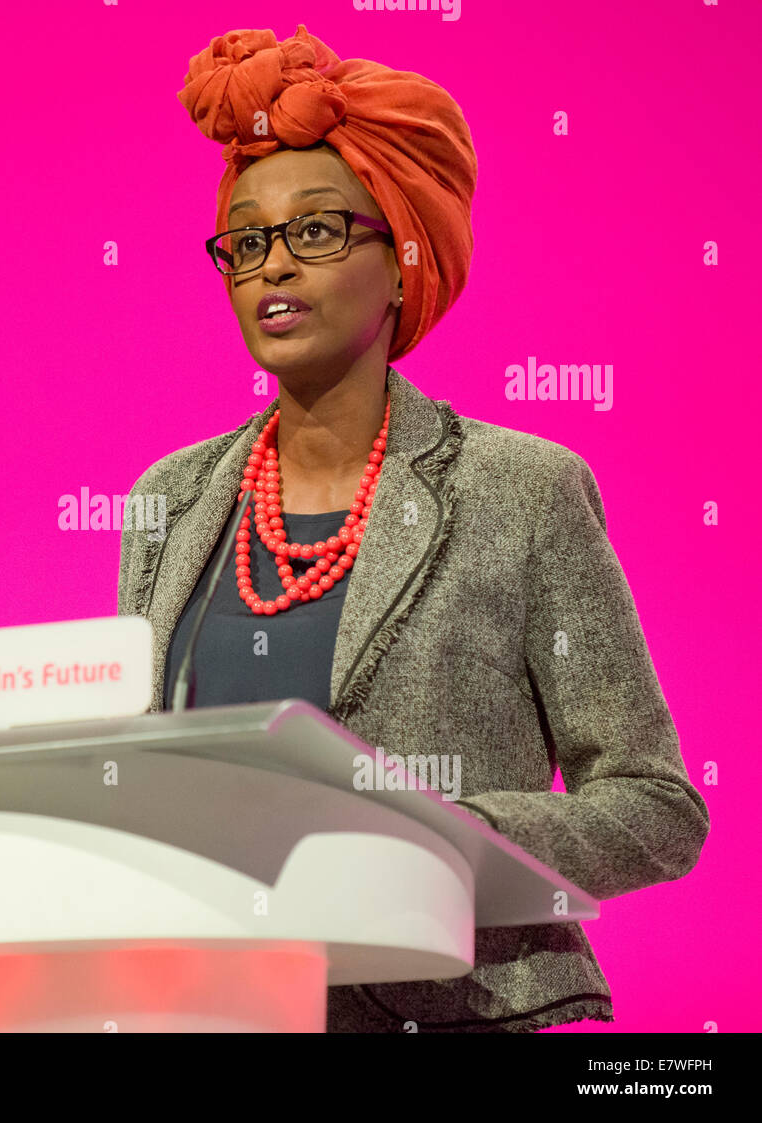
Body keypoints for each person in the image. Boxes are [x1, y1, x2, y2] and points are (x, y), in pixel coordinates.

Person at [116, 24, 709, 1032]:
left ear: (402, 260)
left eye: (313, 231)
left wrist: (455, 840)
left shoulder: (521, 488)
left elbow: (657, 808)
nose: (271, 267)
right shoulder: (166, 499)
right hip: (216, 1009)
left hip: (467, 1009)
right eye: (246, 241)